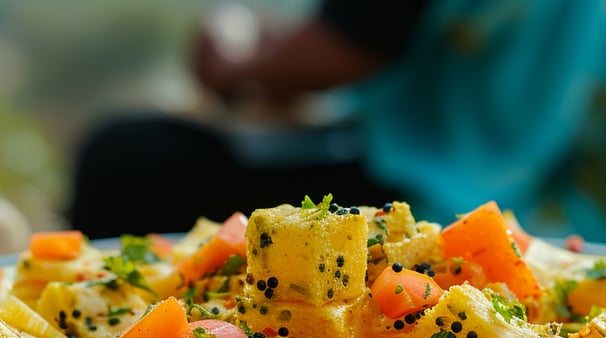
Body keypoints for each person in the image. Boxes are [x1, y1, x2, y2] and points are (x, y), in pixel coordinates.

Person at [65, 0, 606, 242]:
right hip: (534, 192)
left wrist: (232, 63)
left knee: (126, 158)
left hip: (417, 195)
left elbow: (347, 50)